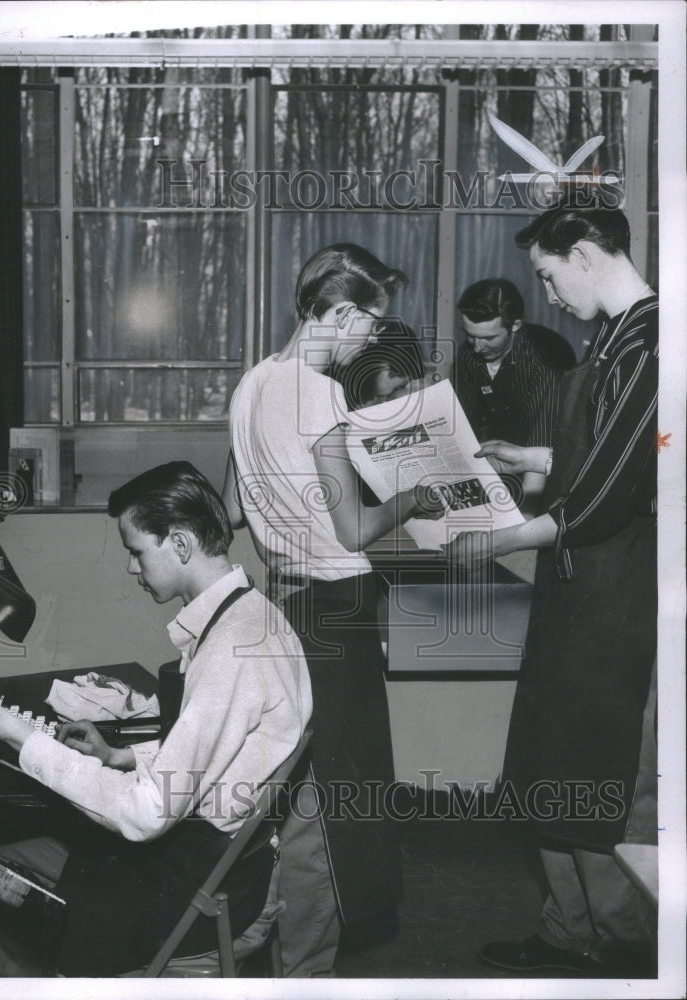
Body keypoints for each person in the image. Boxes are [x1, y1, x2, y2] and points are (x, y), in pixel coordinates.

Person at [0, 461, 312, 977]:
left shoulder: (233, 649)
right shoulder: (252, 613)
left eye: (136, 551)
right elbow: (226, 748)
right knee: (30, 866)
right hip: (232, 863)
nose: (131, 567)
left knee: (3, 898)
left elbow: (145, 815)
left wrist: (16, 734)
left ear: (181, 544)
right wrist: (121, 755)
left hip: (204, 891)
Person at [445, 206, 658, 976]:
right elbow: (595, 449)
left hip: (616, 594)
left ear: (583, 254)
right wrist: (524, 451)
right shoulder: (609, 339)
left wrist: (495, 538)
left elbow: (603, 499)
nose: (546, 294)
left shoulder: (655, 343)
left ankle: (626, 953)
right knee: (550, 767)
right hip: (574, 589)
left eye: (546, 274)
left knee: (601, 779)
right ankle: (567, 932)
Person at [222, 243, 442, 977]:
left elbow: (231, 508)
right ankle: (306, 971)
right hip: (338, 605)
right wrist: (415, 495)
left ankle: (258, 937)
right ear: (341, 311)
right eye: (371, 324)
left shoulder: (253, 382)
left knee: (290, 798)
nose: (373, 340)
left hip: (282, 598)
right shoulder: (321, 397)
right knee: (334, 811)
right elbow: (352, 529)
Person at [451, 276, 574, 456]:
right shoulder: (466, 354)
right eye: (470, 335)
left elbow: (542, 441)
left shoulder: (547, 355)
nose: (477, 347)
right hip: (493, 458)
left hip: (544, 462)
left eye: (488, 338)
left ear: (515, 325)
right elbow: (463, 425)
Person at [331, 319, 425, 411]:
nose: (393, 395)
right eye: (397, 388)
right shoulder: (334, 393)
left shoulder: (347, 392)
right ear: (384, 367)